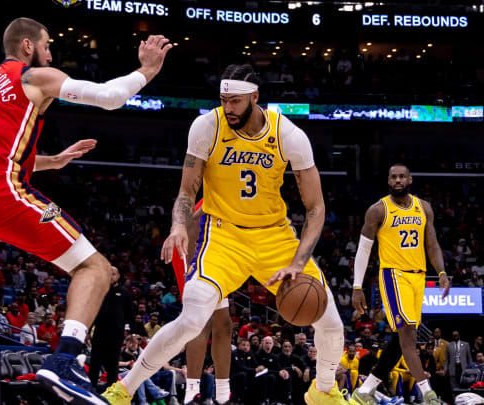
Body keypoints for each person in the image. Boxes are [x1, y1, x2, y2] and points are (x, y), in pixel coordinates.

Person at [0, 17, 171, 405]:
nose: (50, 53)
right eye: (46, 45)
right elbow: (110, 97)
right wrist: (145, 70)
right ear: (28, 46)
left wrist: (51, 161)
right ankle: (64, 361)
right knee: (93, 267)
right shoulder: (34, 77)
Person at [102, 64, 346, 405]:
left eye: (235, 101)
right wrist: (177, 224)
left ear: (254, 97)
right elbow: (187, 192)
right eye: (223, 100)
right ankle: (124, 390)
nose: (227, 108)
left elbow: (316, 209)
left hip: (274, 238)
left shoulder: (288, 135)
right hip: (223, 237)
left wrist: (298, 261)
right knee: (192, 318)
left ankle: (323, 391)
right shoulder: (207, 127)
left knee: (331, 323)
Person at [350, 163, 451, 405]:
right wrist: (356, 286)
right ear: (388, 181)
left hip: (418, 277)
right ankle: (428, 393)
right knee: (407, 334)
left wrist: (442, 272)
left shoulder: (423, 208)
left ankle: (365, 391)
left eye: (402, 176)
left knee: (402, 339)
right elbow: (364, 250)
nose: (398, 180)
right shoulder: (378, 210)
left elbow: (432, 245)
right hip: (394, 276)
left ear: (410, 179)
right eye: (393, 177)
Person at [172, 202, 233, 405]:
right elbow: (187, 222)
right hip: (191, 253)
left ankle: (223, 392)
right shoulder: (211, 196)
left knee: (224, 325)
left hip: (215, 255)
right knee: (201, 321)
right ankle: (192, 389)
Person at [88, 266, 133, 389]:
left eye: (113, 274)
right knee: (95, 364)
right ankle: (91, 391)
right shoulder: (99, 292)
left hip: (115, 335)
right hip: (99, 333)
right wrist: (87, 330)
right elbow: (92, 312)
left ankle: (111, 394)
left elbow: (130, 314)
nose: (110, 276)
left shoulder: (125, 293)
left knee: (113, 366)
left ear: (118, 276)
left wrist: (129, 331)